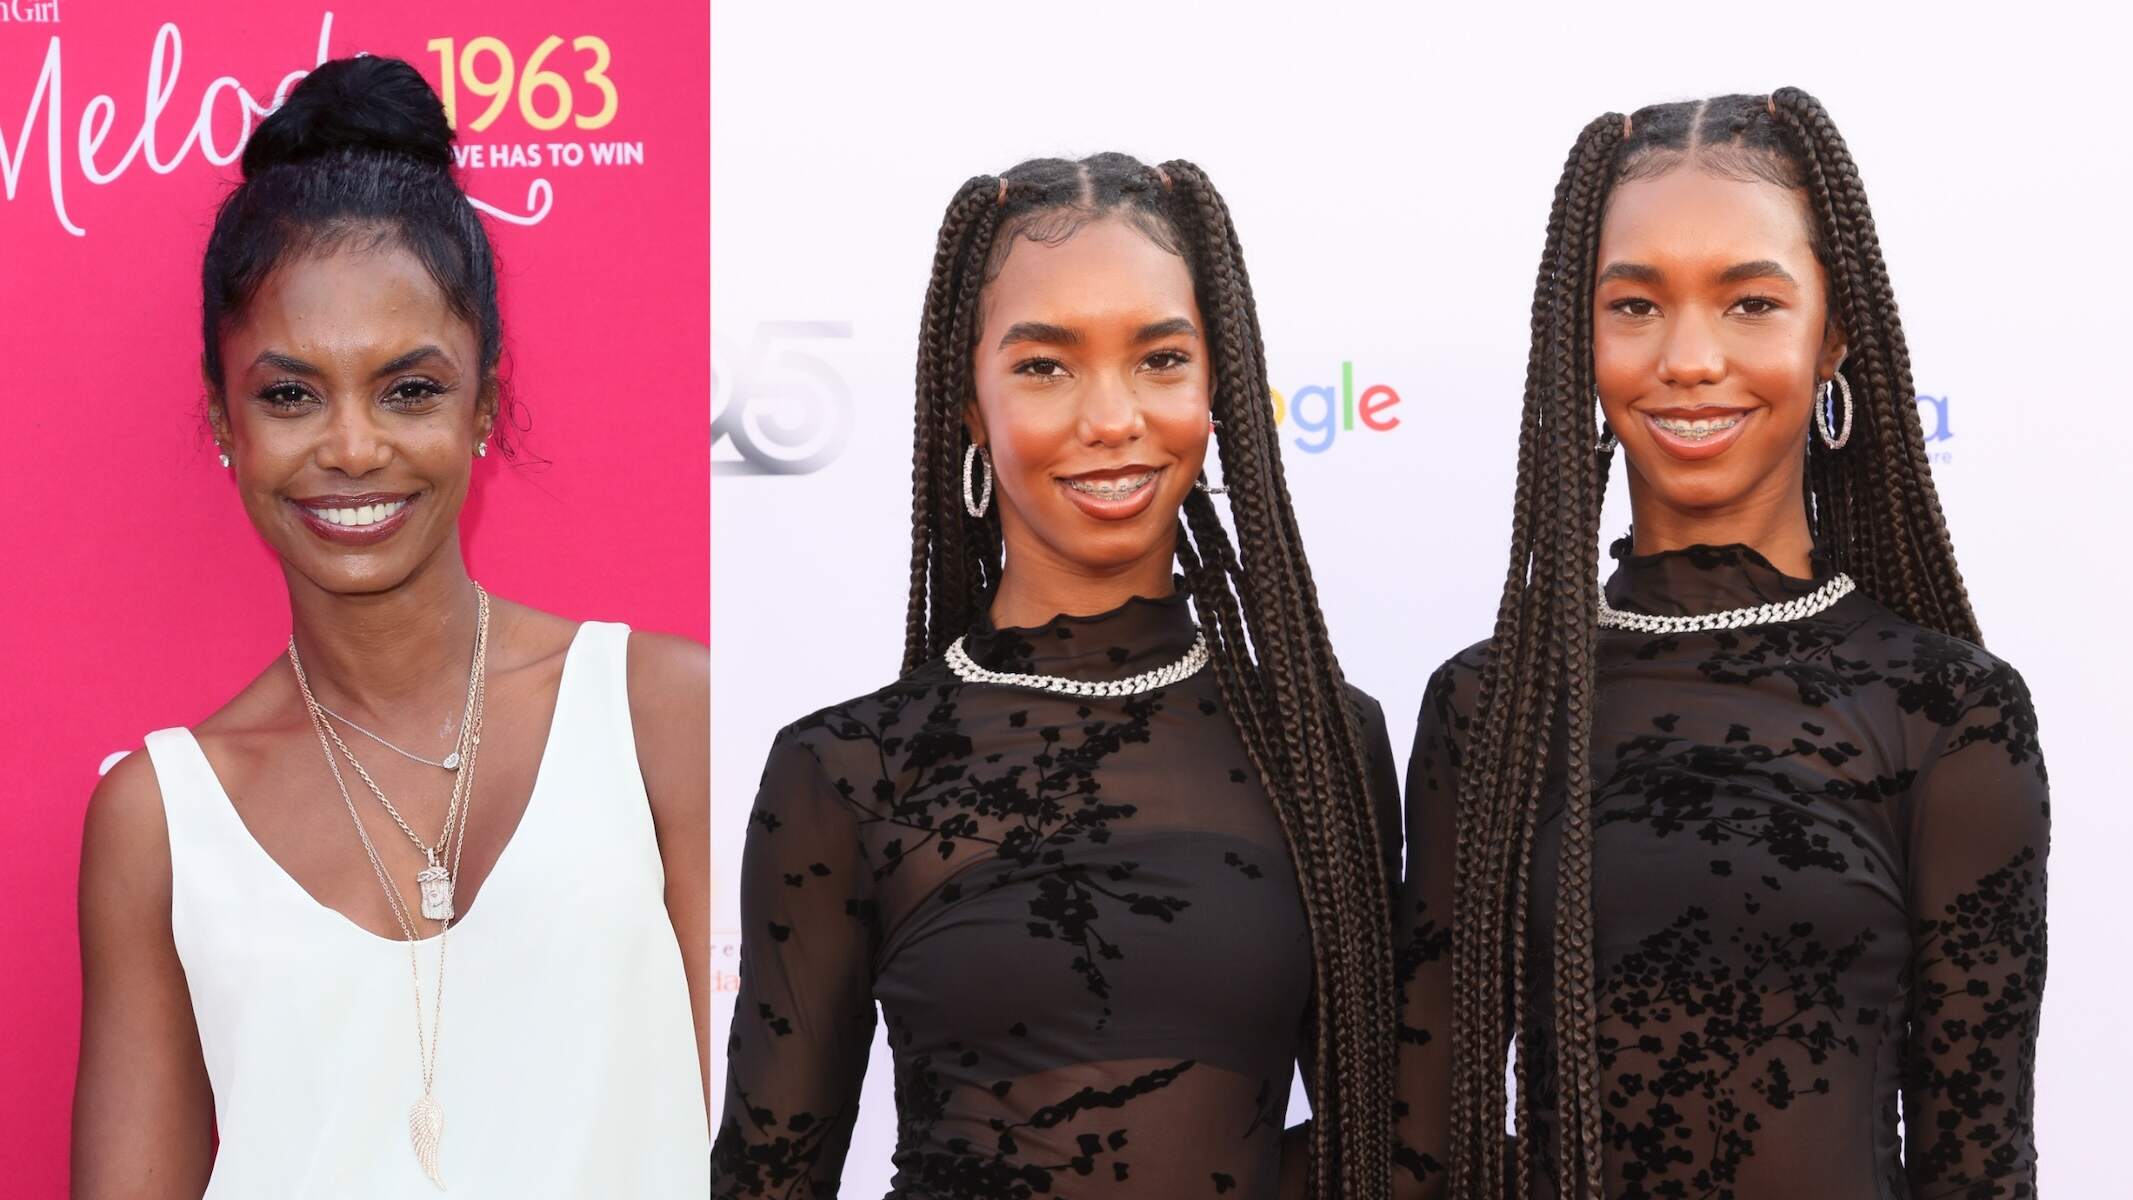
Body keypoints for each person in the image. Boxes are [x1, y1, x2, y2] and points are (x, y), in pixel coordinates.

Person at [71, 56, 710, 1197]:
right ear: (223, 419)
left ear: (485, 404)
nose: (354, 448)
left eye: (409, 389)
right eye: (291, 394)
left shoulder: (662, 713)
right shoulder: (159, 820)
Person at [1395, 90, 2049, 1200]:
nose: (1690, 358)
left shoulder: (1947, 710)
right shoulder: (1488, 707)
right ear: (1579, 338)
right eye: (1635, 305)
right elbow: (1425, 1144)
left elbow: (1978, 1162)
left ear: (1831, 334)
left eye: (1751, 303)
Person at [712, 153, 1400, 1199]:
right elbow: (768, 1178)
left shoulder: (1321, 744)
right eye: (1045, 367)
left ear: (1216, 385)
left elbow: (1382, 1153)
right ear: (969, 404)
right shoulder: (849, 769)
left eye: (1160, 359)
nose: (1111, 418)